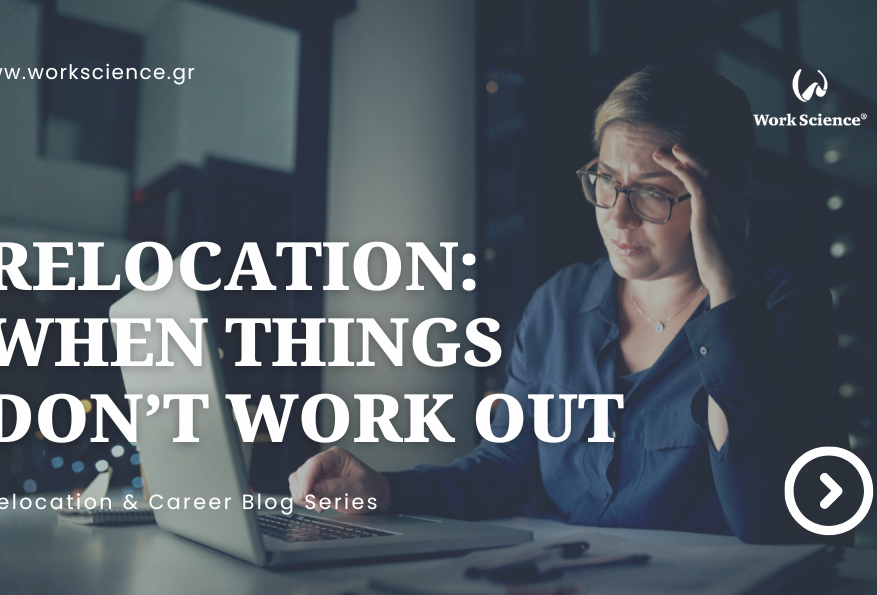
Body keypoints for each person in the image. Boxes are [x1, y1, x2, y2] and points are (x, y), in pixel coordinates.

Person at [288, 64, 844, 544]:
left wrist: (727, 285)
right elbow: (505, 467)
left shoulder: (784, 308)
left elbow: (768, 517)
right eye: (605, 180)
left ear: (724, 193)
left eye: (652, 191)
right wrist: (384, 489)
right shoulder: (559, 303)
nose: (617, 216)